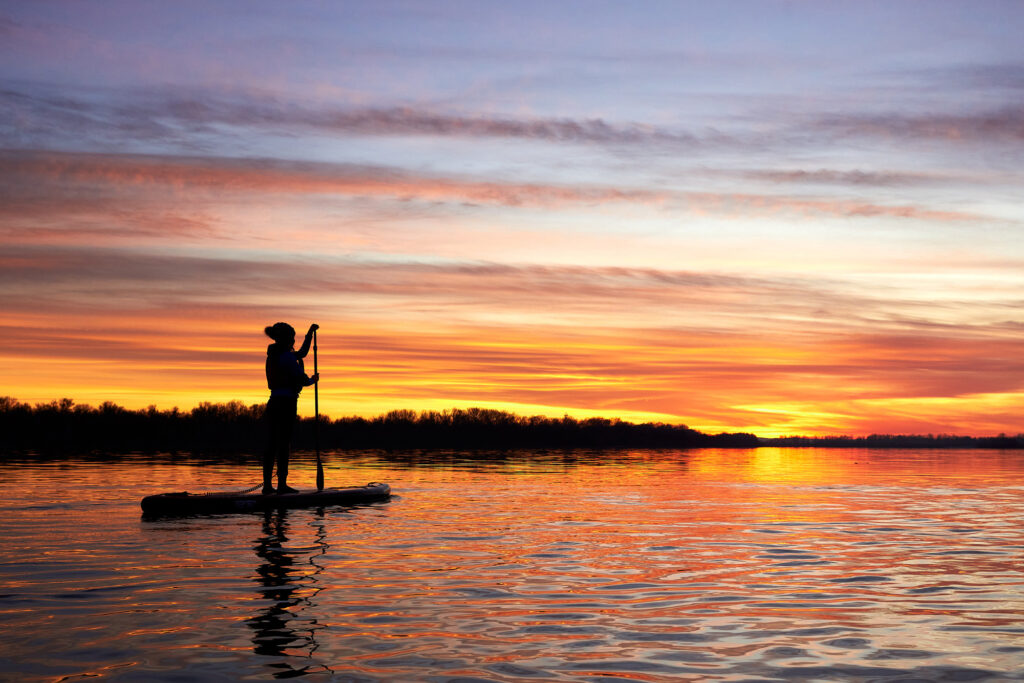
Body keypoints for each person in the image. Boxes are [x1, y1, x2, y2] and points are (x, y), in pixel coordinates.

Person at [262, 322, 319, 494]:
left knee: (272, 443)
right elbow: (301, 378)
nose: (294, 340)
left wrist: (309, 334)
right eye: (292, 337)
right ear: (286, 338)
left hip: (273, 403)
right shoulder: (286, 357)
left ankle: (267, 486)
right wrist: (312, 380)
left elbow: (301, 353)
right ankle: (281, 486)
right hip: (286, 404)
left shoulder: (275, 354)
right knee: (283, 443)